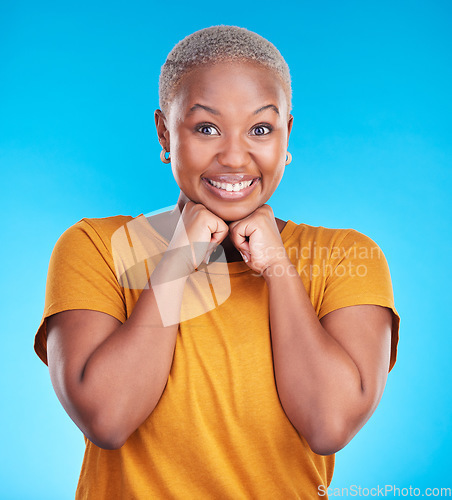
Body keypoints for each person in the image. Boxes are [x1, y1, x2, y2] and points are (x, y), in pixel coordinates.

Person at [34, 25, 400, 499]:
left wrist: (278, 268)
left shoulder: (346, 256)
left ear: (287, 134)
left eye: (261, 129)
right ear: (165, 132)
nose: (233, 156)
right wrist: (176, 260)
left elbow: (328, 424)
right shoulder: (95, 247)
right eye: (206, 127)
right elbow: (107, 418)